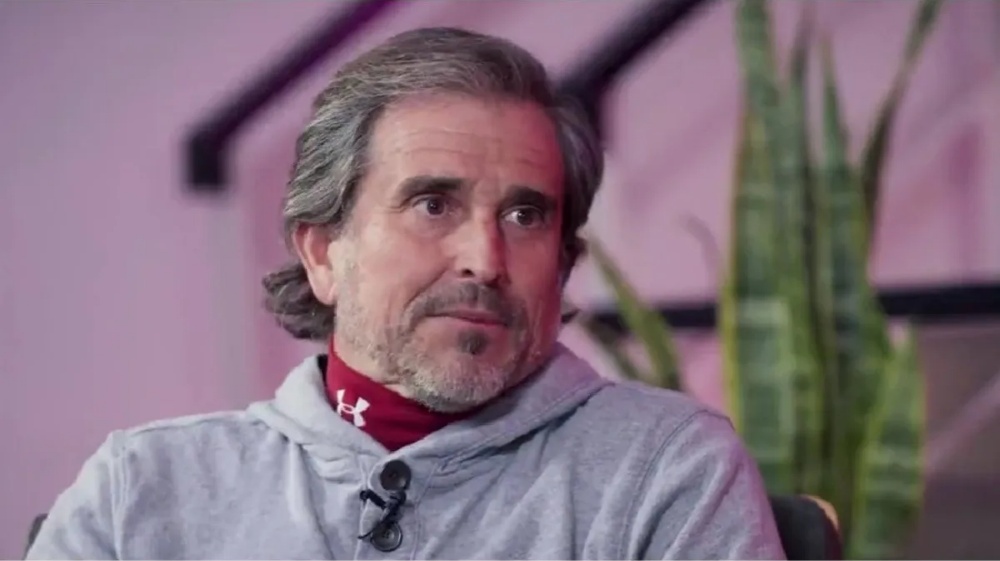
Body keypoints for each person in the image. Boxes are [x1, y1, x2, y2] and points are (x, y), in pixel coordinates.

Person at [27, 27, 786, 560]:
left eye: (525, 216)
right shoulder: (143, 488)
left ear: (562, 263)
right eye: (432, 205)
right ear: (323, 252)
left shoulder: (667, 471)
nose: (484, 259)